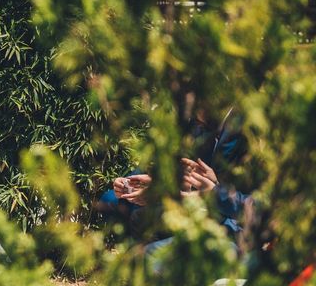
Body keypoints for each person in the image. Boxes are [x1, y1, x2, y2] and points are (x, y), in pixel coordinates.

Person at [101, 107, 251, 258]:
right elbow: (158, 162)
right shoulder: (187, 121)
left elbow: (230, 199)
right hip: (184, 195)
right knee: (110, 200)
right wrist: (128, 182)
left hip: (211, 211)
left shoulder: (242, 132)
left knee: (148, 249)